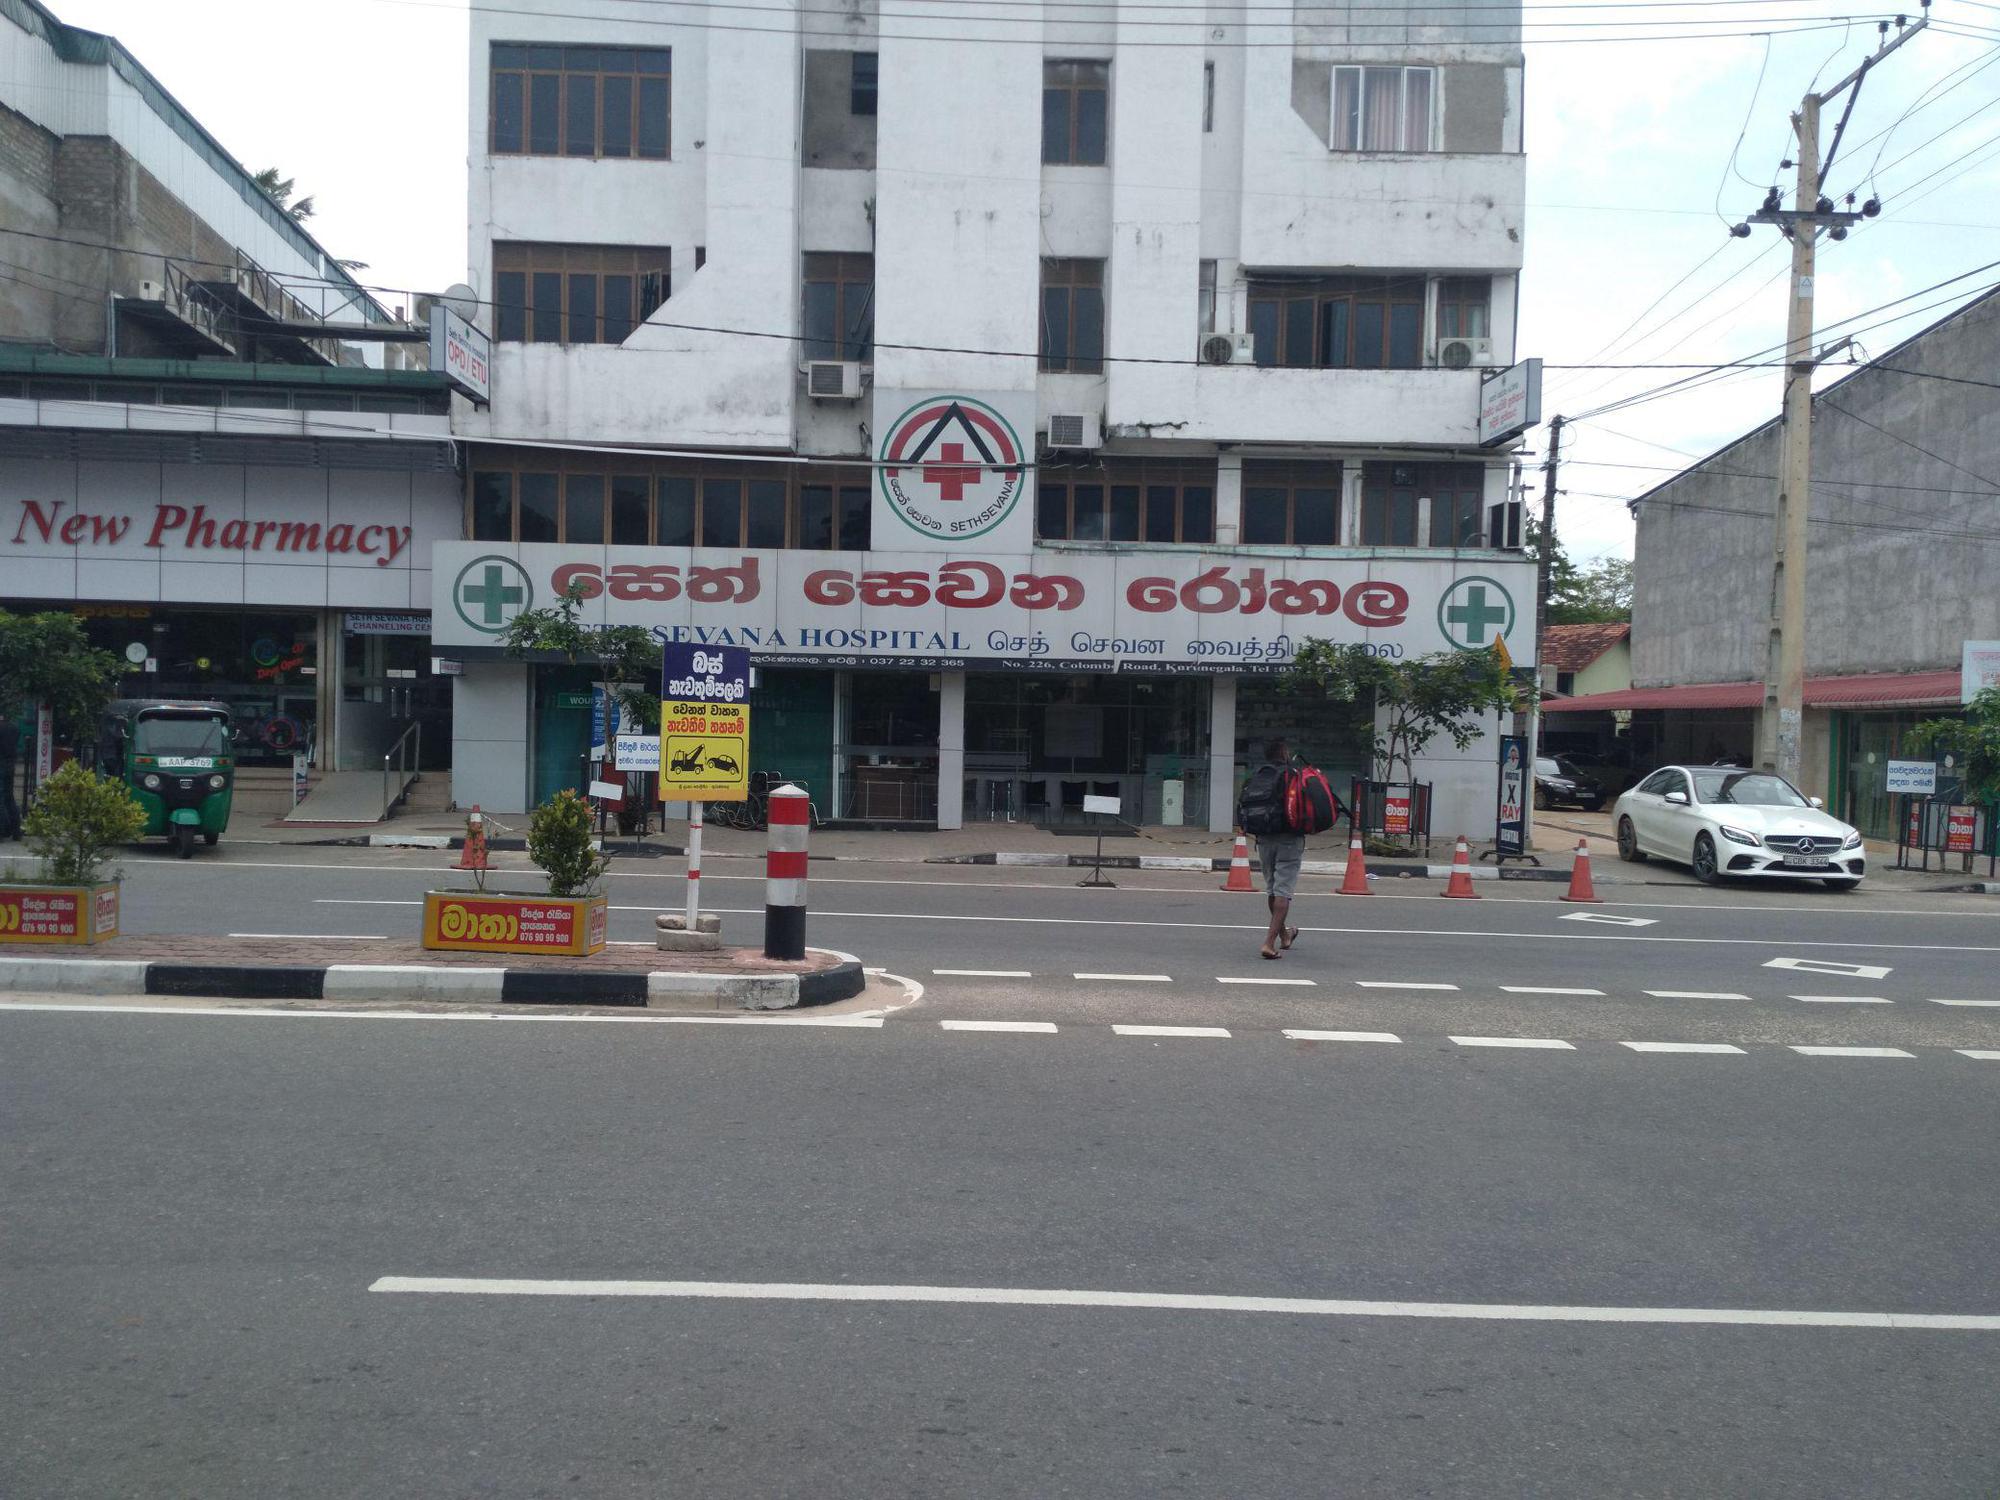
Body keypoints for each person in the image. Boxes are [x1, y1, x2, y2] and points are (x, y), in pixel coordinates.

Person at [1237, 736, 1305, 961]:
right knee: (1283, 892)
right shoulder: (1292, 776)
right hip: (1289, 838)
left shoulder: (1257, 776)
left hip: (1264, 838)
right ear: (1284, 752)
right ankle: (1268, 943)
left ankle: (1285, 935)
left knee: (1272, 889)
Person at [0, 709, 19, 842]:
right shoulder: (14, 728)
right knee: (9, 797)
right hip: (10, 765)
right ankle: (16, 830)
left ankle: (2, 830)